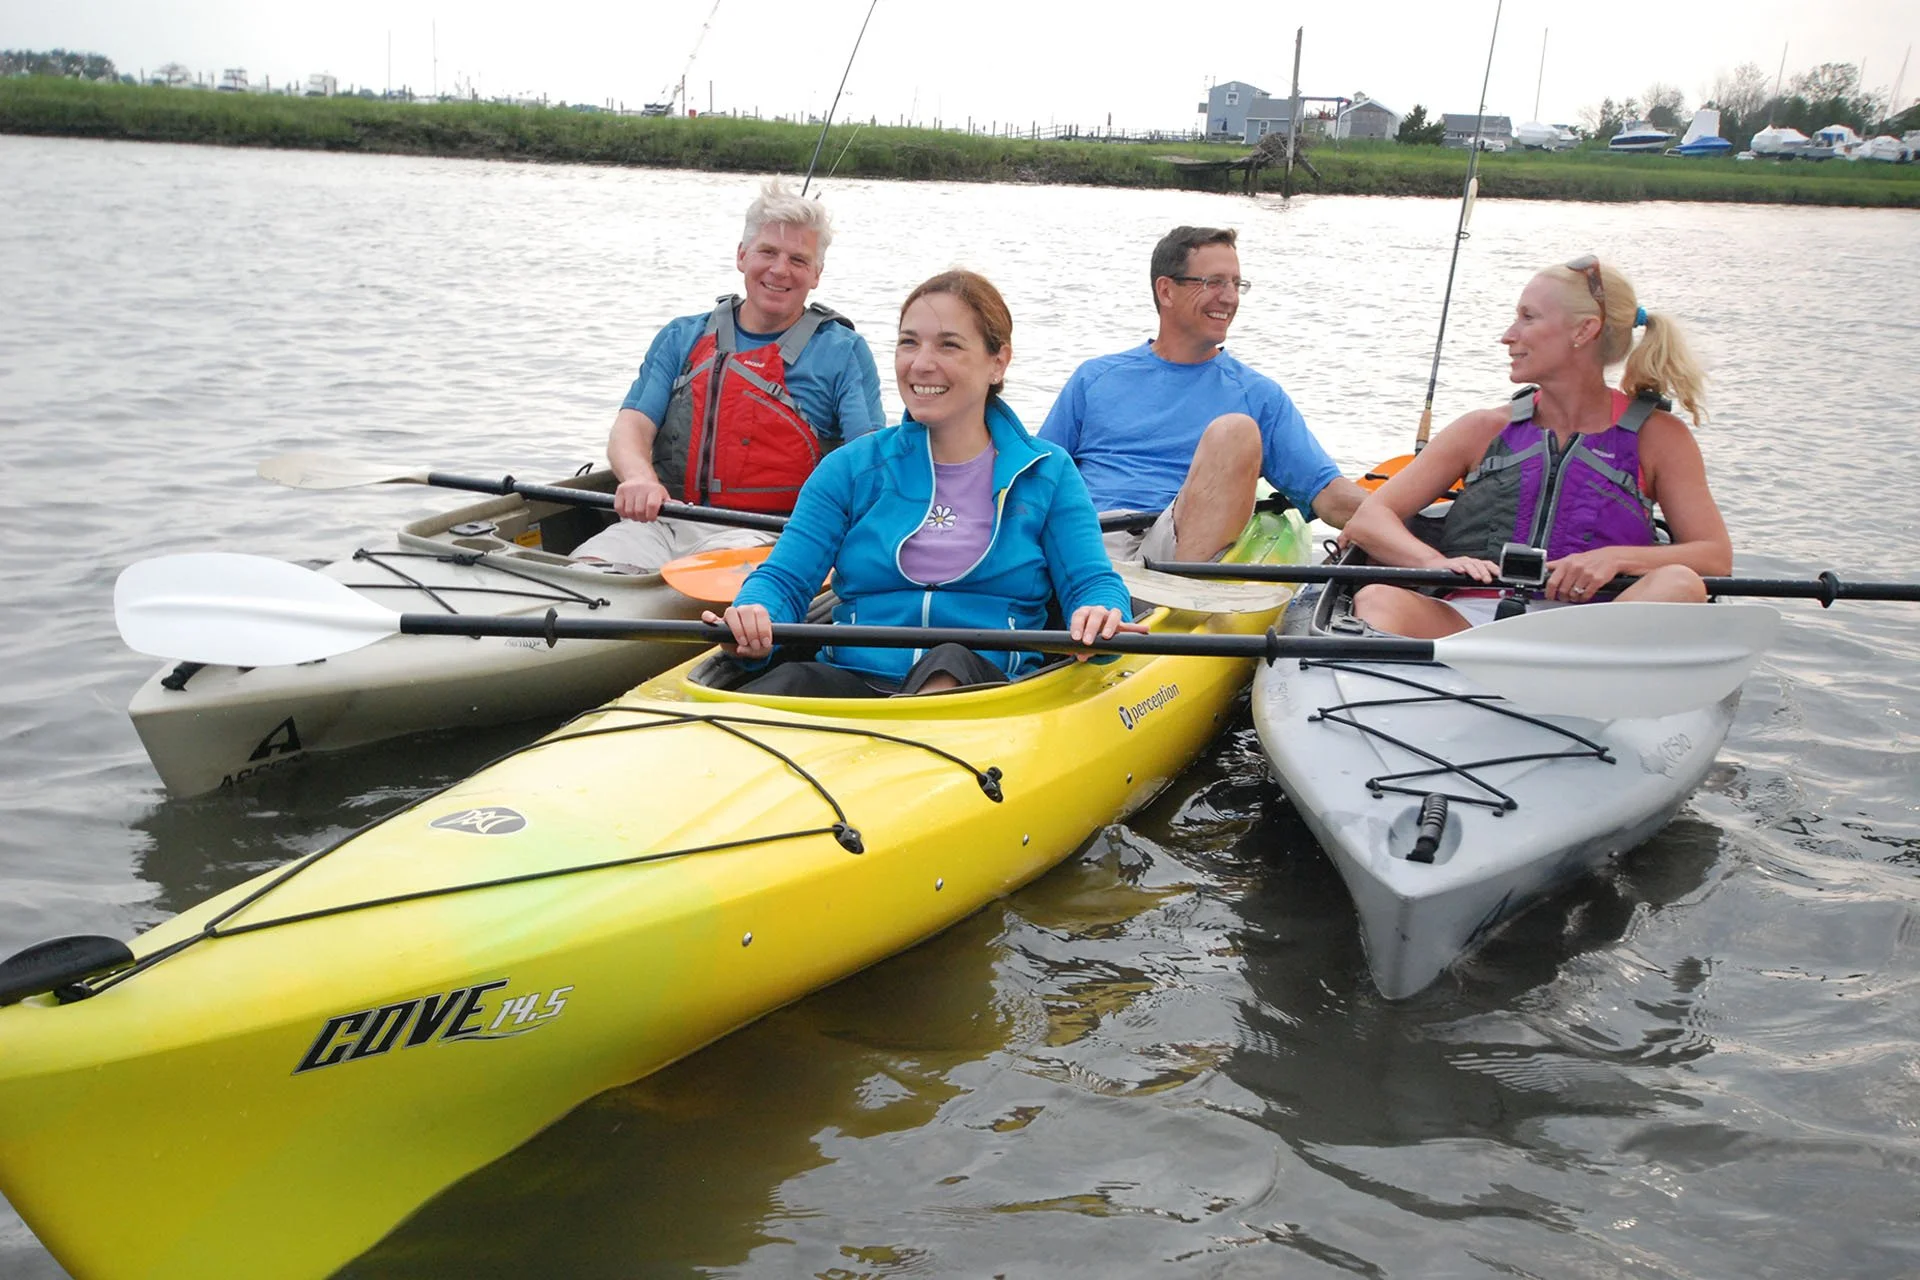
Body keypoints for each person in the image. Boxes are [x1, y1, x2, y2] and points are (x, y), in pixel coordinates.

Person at [705, 270, 1141, 697]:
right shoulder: (849, 468)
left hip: (981, 688)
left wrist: (1102, 614)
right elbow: (783, 579)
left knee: (948, 658)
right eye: (908, 343)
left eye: (948, 345)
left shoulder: (1048, 472)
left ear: (998, 362)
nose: (921, 364)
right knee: (790, 679)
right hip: (852, 679)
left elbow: (1092, 582)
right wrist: (754, 613)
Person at [1341, 254, 1732, 639]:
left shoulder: (1660, 437)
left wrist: (1616, 559)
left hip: (1600, 627)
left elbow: (1714, 556)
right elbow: (1368, 519)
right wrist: (1434, 562)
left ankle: (1573, 665)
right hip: (1469, 624)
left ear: (1584, 331)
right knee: (1377, 599)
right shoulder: (1481, 429)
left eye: (1528, 317)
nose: (1508, 335)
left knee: (1680, 583)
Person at [571, 179, 886, 571]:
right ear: (742, 256)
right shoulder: (682, 336)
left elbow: (869, 460)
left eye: (798, 260)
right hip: (662, 521)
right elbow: (632, 425)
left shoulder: (843, 351)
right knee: (584, 574)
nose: (779, 270)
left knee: (699, 583)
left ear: (817, 273)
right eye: (767, 252)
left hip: (772, 533)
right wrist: (639, 478)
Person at [1038, 225, 1367, 563]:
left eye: (1236, 284)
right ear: (1166, 291)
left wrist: (1396, 515)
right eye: (1214, 282)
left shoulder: (1258, 395)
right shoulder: (1094, 378)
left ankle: (1175, 591)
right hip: (1088, 538)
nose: (1230, 297)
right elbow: (1035, 478)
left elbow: (1329, 495)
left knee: (1234, 431)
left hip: (1175, 547)